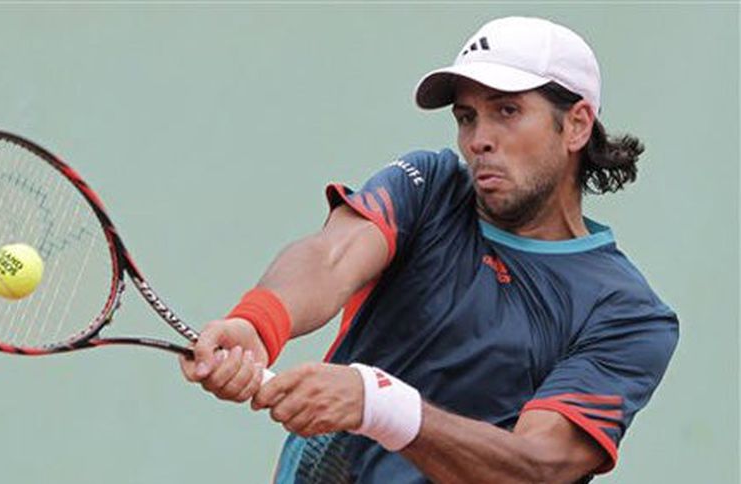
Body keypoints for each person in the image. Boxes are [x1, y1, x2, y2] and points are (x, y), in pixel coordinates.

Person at [180, 16, 679, 484]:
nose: (479, 139)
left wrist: (380, 407)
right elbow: (331, 257)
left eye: (507, 111)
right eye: (467, 117)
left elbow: (539, 466)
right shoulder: (430, 187)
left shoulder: (627, 313)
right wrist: (258, 324)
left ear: (576, 125)